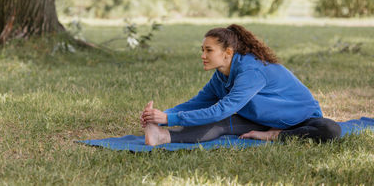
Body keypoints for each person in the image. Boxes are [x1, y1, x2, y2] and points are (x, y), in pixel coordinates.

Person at [140, 24, 341, 146]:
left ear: (228, 52)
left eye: (209, 50)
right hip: (262, 119)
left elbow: (222, 108)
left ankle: (275, 136)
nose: (202, 55)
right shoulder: (220, 76)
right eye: (202, 49)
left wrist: (170, 117)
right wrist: (160, 118)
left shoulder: (251, 71)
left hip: (302, 120)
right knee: (219, 124)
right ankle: (161, 136)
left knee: (331, 129)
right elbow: (197, 103)